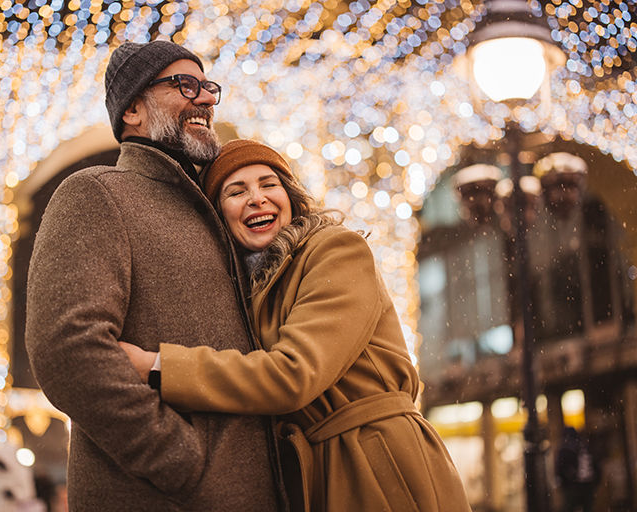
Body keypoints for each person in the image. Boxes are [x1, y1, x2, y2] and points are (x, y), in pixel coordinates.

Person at [121, 139, 472, 512]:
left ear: (290, 195)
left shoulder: (335, 251)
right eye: (236, 192)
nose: (257, 198)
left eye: (268, 184)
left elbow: (293, 374)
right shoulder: (246, 288)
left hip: (378, 460)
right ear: (219, 217)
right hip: (316, 468)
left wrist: (157, 366)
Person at [25, 42, 284, 511]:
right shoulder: (96, 194)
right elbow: (67, 350)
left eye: (207, 87)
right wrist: (181, 462)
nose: (204, 98)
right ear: (133, 110)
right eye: (184, 85)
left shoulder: (218, 213)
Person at [556, 426, 599, 512]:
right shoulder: (584, 447)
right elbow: (596, 465)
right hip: (586, 484)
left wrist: (567, 479)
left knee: (569, 507)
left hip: (574, 485)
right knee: (587, 507)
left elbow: (560, 469)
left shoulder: (566, 449)